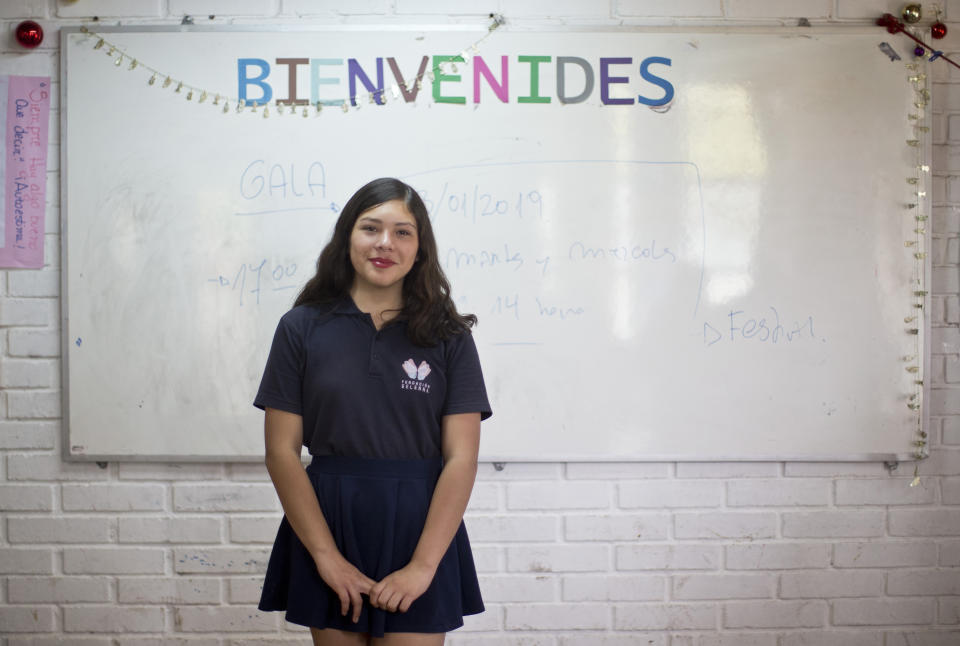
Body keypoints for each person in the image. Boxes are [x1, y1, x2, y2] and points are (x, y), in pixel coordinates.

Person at [254, 177, 491, 646]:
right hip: (328, 525)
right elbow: (281, 453)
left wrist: (423, 568)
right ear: (347, 238)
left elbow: (461, 458)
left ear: (420, 249)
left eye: (403, 232)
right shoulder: (301, 328)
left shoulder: (449, 335)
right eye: (370, 228)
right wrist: (326, 557)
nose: (385, 243)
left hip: (421, 530)